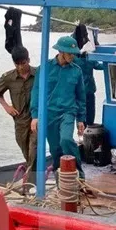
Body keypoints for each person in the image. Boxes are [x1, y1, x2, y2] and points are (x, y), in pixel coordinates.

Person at [30, 36, 86, 180]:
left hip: (68, 112)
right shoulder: (44, 68)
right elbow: (36, 92)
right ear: (61, 51)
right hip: (49, 114)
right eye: (70, 53)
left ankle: (80, 175)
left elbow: (81, 96)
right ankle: (60, 179)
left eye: (74, 54)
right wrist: (35, 116)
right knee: (55, 149)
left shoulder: (77, 71)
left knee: (66, 140)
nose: (72, 56)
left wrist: (81, 119)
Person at [0, 46, 37, 173]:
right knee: (26, 151)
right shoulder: (8, 77)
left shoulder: (38, 74)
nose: (21, 67)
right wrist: (7, 107)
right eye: (17, 64)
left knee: (34, 149)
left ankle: (31, 178)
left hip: (36, 118)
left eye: (23, 63)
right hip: (20, 121)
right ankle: (33, 177)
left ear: (28, 60)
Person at [72, 23, 104, 126]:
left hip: (89, 91)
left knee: (88, 116)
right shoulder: (74, 59)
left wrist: (112, 61)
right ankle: (82, 133)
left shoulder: (88, 58)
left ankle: (84, 133)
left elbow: (99, 65)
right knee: (82, 117)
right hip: (79, 92)